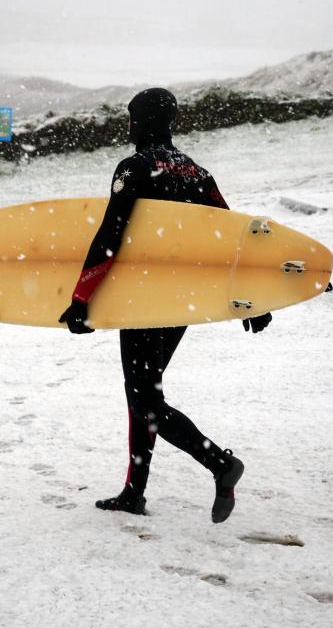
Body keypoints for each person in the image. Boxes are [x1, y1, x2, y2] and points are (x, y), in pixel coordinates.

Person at [59, 87, 272, 524]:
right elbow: (229, 238)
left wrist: (81, 300)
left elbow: (110, 238)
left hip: (143, 299)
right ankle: (134, 493)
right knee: (145, 394)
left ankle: (220, 465)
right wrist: (252, 302)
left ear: (138, 121)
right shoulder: (196, 171)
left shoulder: (134, 167)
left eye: (131, 118)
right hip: (181, 303)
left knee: (145, 400)